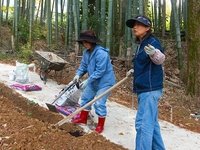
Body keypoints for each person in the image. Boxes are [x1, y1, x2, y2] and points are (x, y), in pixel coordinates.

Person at [126, 15, 166, 150]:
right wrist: (134, 70)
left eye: (139, 25)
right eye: (134, 25)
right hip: (146, 89)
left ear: (147, 28)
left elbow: (160, 59)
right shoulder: (140, 44)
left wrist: (154, 53)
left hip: (149, 90)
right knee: (152, 126)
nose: (135, 27)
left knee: (143, 125)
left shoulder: (152, 42)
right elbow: (145, 65)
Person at [71, 30, 116, 133]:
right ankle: (83, 118)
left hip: (105, 82)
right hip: (93, 81)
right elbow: (83, 66)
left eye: (86, 42)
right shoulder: (86, 53)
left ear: (92, 41)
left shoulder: (101, 53)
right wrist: (78, 74)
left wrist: (87, 81)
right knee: (85, 98)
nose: (84, 44)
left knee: (99, 103)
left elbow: (100, 71)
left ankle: (100, 125)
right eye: (83, 42)